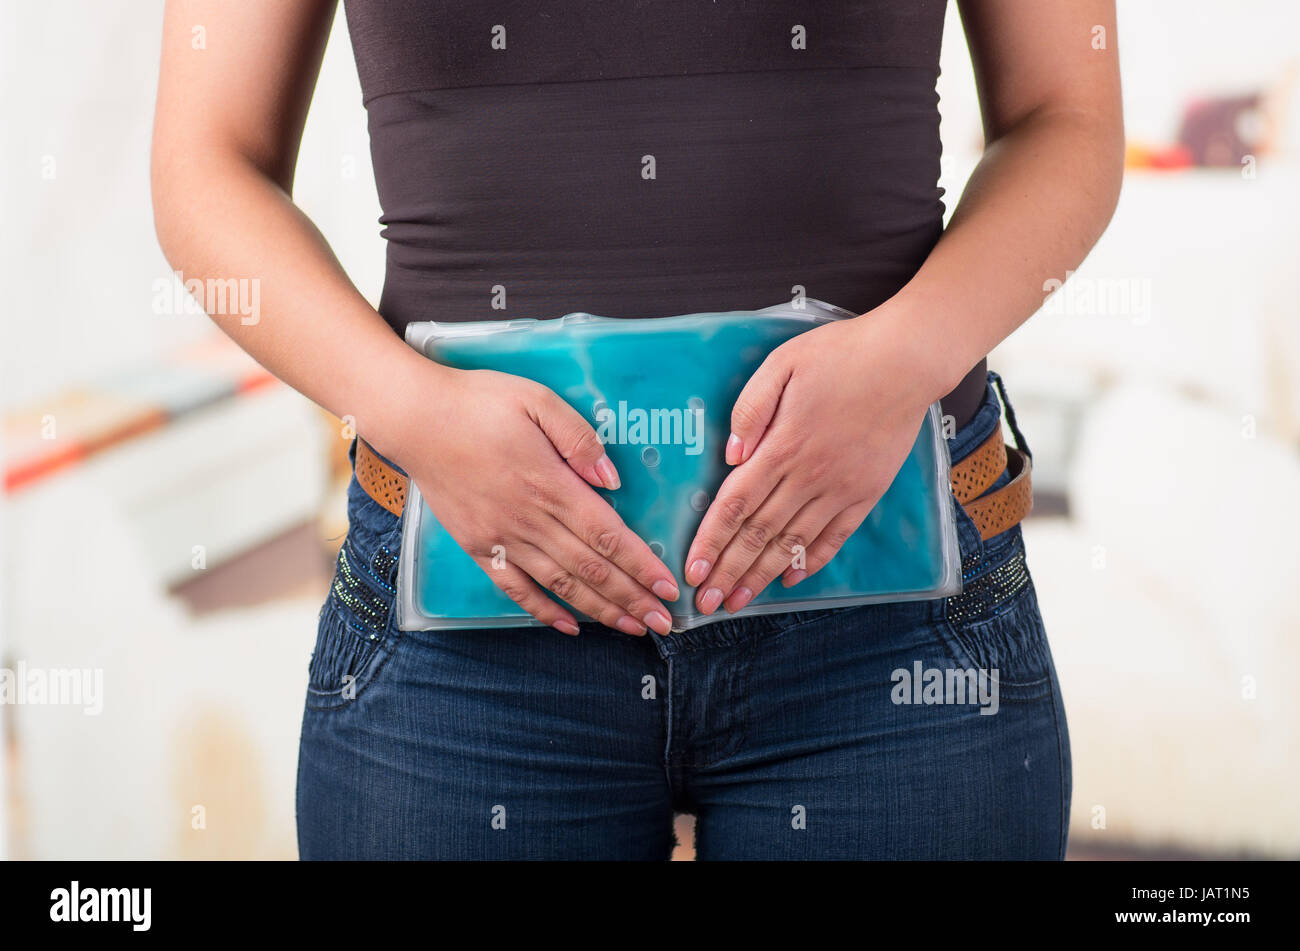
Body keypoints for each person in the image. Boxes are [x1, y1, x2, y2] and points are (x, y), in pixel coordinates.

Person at [152, 0, 1123, 859]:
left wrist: (909, 357)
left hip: (888, 612)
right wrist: (414, 411)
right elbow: (206, 164)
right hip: (471, 602)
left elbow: (1065, 120)